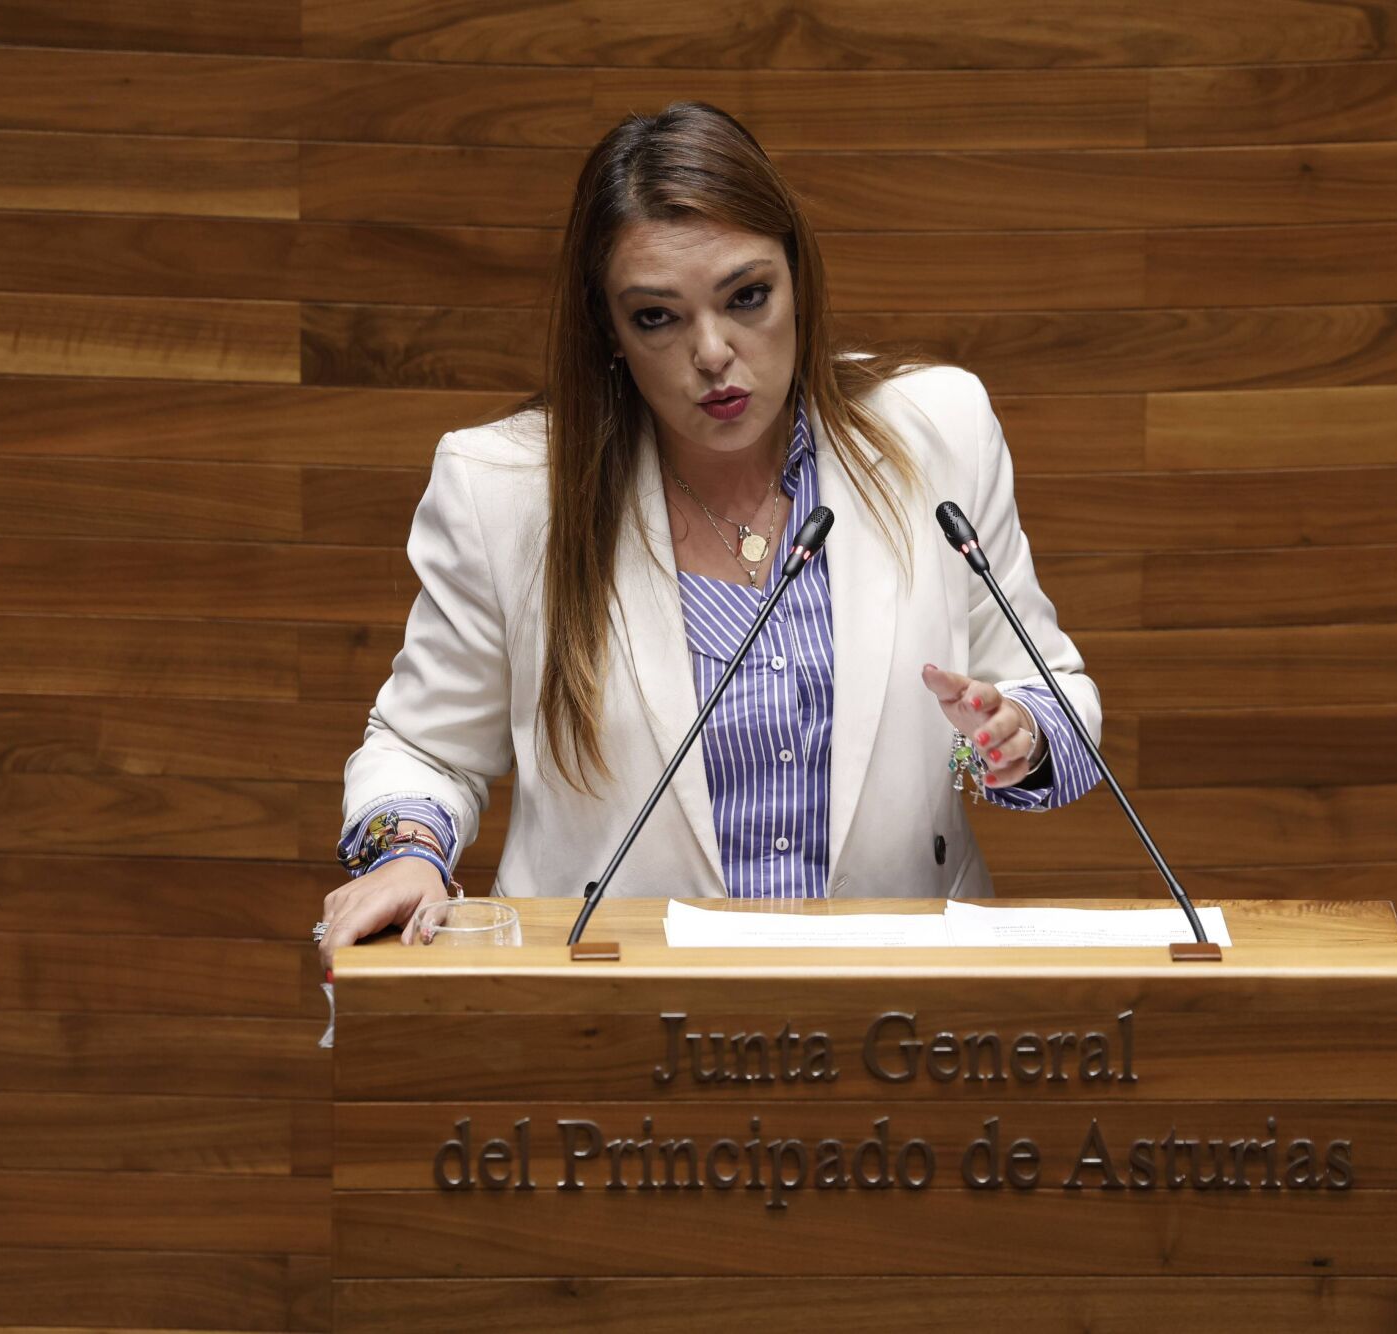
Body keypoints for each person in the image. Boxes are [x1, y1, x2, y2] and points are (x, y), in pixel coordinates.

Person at [316, 102, 1101, 967]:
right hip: (609, 1016)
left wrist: (1015, 735)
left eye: (748, 297)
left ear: (800, 279)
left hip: (906, 1012)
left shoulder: (936, 427)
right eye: (658, 316)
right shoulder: (505, 489)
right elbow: (423, 747)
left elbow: (1050, 689)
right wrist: (406, 852)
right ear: (609, 331)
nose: (714, 352)